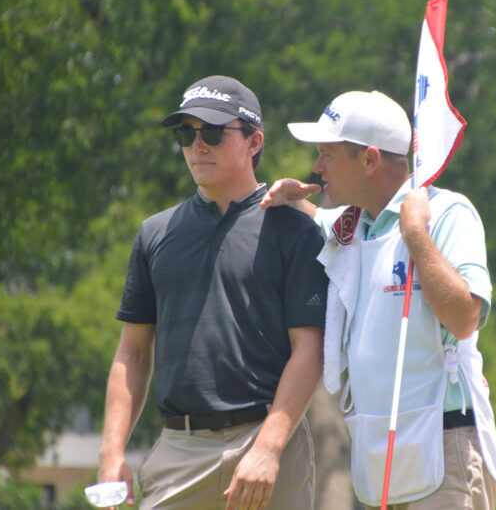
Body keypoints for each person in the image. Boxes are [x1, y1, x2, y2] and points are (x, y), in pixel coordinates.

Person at [261, 90, 496, 509]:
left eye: (327, 154)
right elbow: (316, 219)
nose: (317, 166)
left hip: (445, 444)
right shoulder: (353, 223)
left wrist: (415, 236)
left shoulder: (446, 213)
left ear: (370, 160)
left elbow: (466, 317)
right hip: (382, 454)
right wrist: (289, 197)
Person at [97, 75, 328, 510]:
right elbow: (133, 354)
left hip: (269, 443)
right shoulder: (154, 233)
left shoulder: (294, 230)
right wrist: (111, 454)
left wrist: (269, 448)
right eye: (187, 133)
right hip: (178, 450)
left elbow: (309, 352)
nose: (197, 146)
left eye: (214, 133)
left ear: (254, 142)